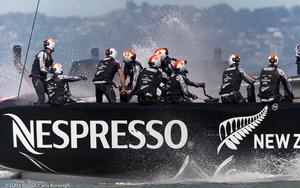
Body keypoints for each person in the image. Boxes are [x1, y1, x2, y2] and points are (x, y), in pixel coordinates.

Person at [30, 38, 55, 104]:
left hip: (43, 79)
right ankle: (35, 111)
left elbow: (53, 67)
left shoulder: (50, 56)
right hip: (37, 78)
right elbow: (42, 68)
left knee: (52, 96)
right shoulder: (42, 54)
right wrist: (52, 72)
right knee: (42, 98)